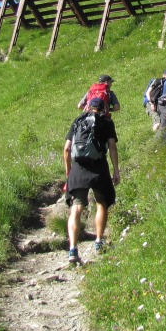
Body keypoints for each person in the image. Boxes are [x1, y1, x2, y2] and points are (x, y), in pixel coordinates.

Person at [63, 97, 120, 264]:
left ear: (88, 107)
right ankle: (99, 241)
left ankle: (73, 249)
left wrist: (68, 170)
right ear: (103, 108)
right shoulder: (106, 122)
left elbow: (67, 148)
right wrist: (116, 170)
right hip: (99, 167)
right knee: (101, 204)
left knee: (76, 208)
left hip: (78, 168)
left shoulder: (78, 121)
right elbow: (112, 147)